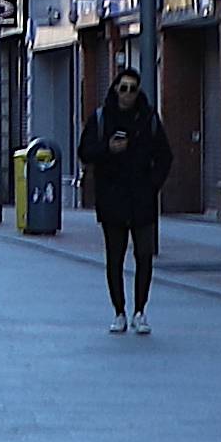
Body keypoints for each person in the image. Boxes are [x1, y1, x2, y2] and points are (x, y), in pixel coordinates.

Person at [79, 66, 173, 335]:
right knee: (115, 258)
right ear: (115, 90)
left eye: (133, 88)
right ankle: (119, 311)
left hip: (142, 199)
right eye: (124, 88)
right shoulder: (100, 118)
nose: (128, 94)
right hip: (112, 199)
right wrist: (107, 149)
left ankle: (140, 311)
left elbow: (165, 156)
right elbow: (84, 152)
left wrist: (153, 184)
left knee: (144, 256)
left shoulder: (149, 119)